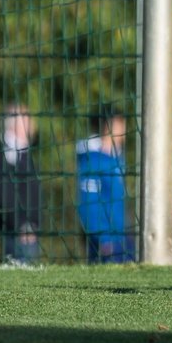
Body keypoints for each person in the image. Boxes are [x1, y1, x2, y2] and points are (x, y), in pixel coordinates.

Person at [76, 107, 136, 263]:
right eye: (119, 125)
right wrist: (103, 238)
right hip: (104, 241)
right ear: (107, 127)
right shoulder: (92, 160)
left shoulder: (117, 157)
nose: (123, 130)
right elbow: (88, 203)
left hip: (121, 236)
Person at [0, 103, 41, 264]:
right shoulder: (3, 156)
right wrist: (21, 226)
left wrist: (35, 224)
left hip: (30, 231)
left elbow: (35, 194)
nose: (30, 124)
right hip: (14, 233)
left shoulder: (25, 154)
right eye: (24, 120)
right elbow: (3, 195)